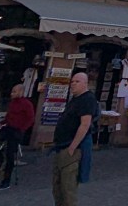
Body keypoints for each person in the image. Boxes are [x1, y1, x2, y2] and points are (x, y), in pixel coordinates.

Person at [50, 72, 97, 206]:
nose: (73, 84)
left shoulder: (87, 99)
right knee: (57, 186)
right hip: (62, 146)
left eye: (77, 81)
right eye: (72, 81)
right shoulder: (75, 99)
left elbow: (85, 124)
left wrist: (72, 147)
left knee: (68, 189)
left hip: (71, 149)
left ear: (85, 83)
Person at [0, 83, 34, 189]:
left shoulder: (27, 104)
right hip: (8, 128)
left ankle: (6, 180)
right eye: (12, 91)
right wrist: (2, 123)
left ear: (20, 92)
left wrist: (22, 129)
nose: (11, 94)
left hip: (17, 131)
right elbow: (9, 115)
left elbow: (31, 119)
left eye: (14, 92)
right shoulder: (13, 103)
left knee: (10, 155)